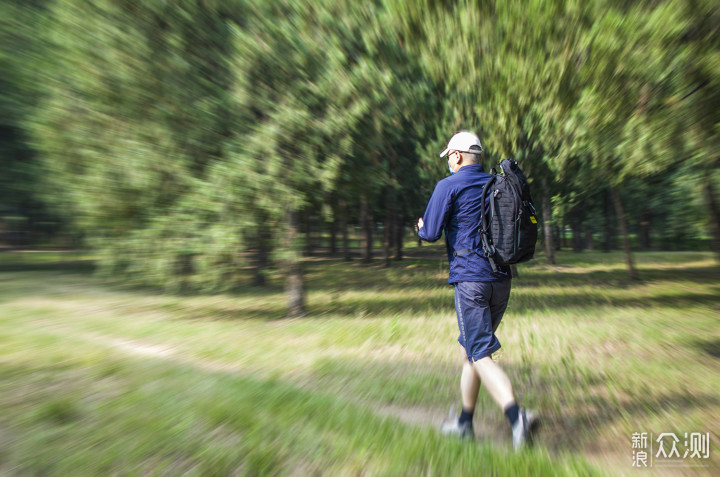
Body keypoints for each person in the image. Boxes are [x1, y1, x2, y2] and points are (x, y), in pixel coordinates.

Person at [417, 131, 537, 450]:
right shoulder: (495, 184)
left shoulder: (449, 186)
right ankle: (464, 424)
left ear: (456, 156)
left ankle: (516, 417)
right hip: (502, 278)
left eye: (449, 157)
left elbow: (429, 232)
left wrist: (419, 226)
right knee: (470, 351)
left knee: (479, 352)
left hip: (471, 280)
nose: (449, 163)